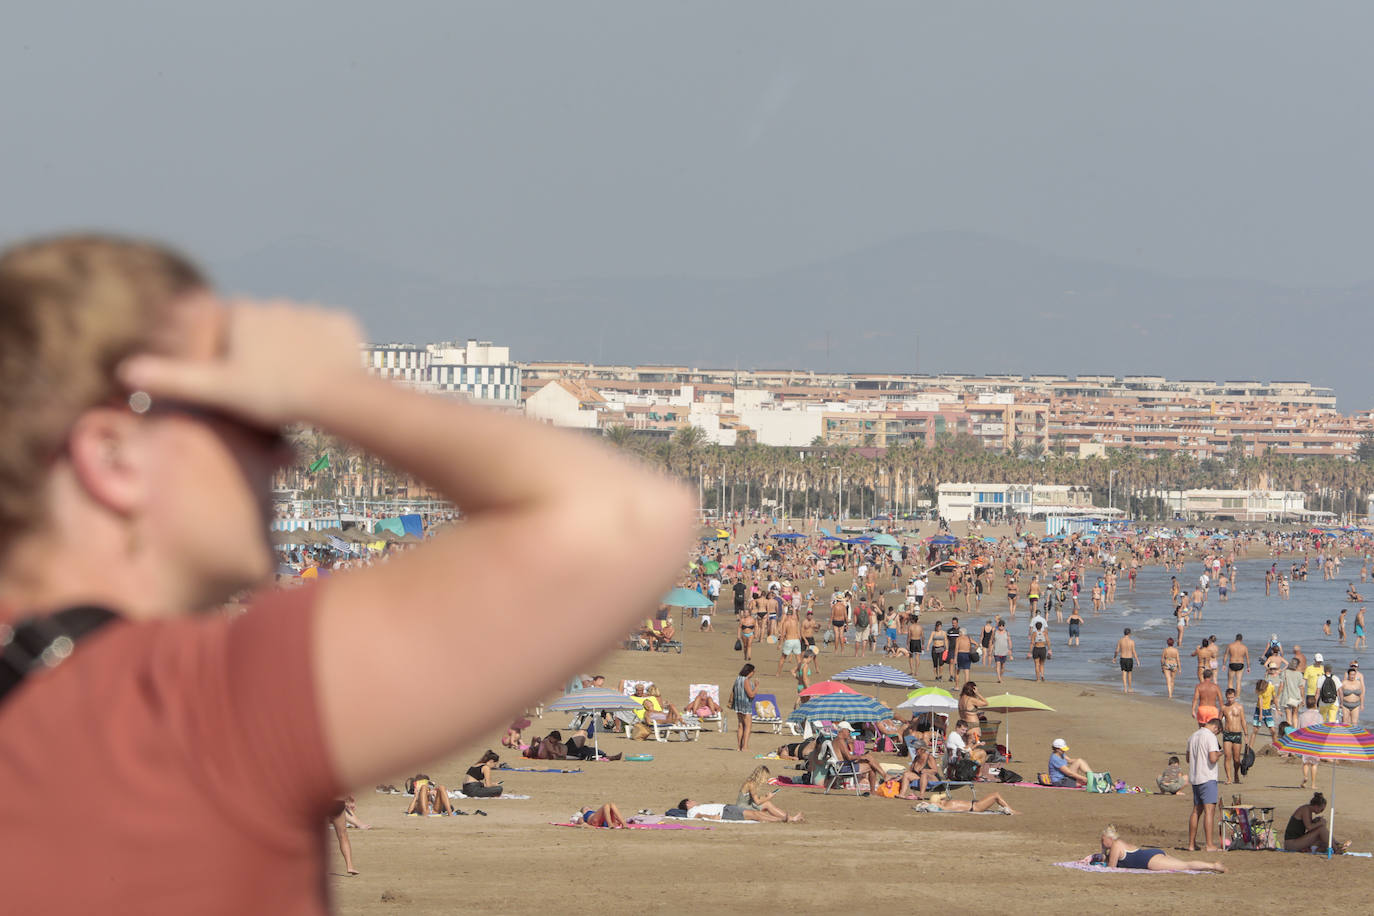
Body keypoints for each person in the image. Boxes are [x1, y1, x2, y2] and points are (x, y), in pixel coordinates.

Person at [0, 236, 696, 912]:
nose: (287, 461)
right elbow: (627, 517)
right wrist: (329, 386)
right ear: (114, 456)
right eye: (254, 417)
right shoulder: (184, 710)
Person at [1095, 825, 1224, 873]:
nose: (1102, 842)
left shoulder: (1116, 845)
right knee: (1183, 864)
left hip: (1150, 861)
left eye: (1103, 840)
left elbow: (1111, 868)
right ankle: (1211, 866)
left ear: (1110, 839)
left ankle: (1213, 866)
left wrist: (1102, 852)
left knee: (1186, 866)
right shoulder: (1120, 843)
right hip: (1151, 855)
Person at [1185, 718, 1223, 852]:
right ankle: (1209, 844)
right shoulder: (1210, 737)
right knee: (1209, 811)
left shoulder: (1193, 736)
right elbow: (1212, 758)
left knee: (1196, 811)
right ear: (1216, 728)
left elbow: (1188, 759)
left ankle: (1191, 844)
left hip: (1195, 777)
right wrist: (1220, 753)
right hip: (1207, 777)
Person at [1283, 792, 1349, 853]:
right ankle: (1336, 848)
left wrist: (1316, 821)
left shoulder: (1308, 810)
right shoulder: (1305, 809)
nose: (1321, 811)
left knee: (1323, 840)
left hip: (1296, 841)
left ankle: (1337, 844)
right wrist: (1320, 823)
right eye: (1321, 809)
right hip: (1291, 844)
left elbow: (1308, 825)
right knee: (1321, 829)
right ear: (1316, 806)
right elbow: (1309, 827)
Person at [736, 765, 803, 821]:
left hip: (747, 805)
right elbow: (757, 802)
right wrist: (768, 798)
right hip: (742, 808)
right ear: (761, 776)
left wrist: (765, 797)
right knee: (767, 804)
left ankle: (789, 818)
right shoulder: (751, 784)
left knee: (767, 804)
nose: (766, 781)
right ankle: (790, 818)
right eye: (765, 778)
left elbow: (755, 799)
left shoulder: (751, 783)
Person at [675, 798, 800, 823]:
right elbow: (697, 815)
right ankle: (782, 819)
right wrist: (711, 817)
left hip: (727, 809)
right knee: (755, 815)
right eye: (691, 801)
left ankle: (786, 818)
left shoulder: (697, 807)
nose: (694, 801)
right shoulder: (691, 811)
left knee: (756, 814)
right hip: (725, 812)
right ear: (687, 804)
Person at [1219, 689, 1250, 784]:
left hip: (1237, 734)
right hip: (1227, 734)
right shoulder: (1224, 707)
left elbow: (1243, 721)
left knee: (1236, 759)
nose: (1230, 699)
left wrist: (1246, 734)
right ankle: (1229, 778)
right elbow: (1218, 719)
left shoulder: (1239, 707)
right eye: (1228, 697)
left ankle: (1236, 775)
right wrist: (1219, 729)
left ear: (1235, 696)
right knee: (1227, 756)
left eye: (1232, 697)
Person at [916, 790, 1019, 815]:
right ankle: (1012, 810)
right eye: (941, 800)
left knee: (995, 795)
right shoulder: (944, 807)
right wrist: (927, 804)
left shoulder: (945, 804)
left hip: (975, 804)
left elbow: (933, 804)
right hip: (975, 807)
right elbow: (934, 805)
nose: (943, 799)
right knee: (996, 795)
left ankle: (1010, 810)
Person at [1297, 697, 1323, 788]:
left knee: (1305, 763)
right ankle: (1313, 784)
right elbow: (1322, 730)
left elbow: (1298, 729)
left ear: (1307, 705)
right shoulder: (1319, 716)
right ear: (1315, 704)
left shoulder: (1302, 716)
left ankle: (1305, 777)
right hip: (1315, 742)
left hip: (1305, 742)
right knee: (1314, 764)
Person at [731, 664, 758, 751]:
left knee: (740, 725)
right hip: (745, 705)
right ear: (749, 672)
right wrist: (756, 686)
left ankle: (739, 746)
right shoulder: (745, 680)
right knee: (748, 726)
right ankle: (745, 746)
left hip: (738, 704)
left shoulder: (738, 679)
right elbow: (751, 694)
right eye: (753, 671)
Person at [1114, 628, 1140, 694]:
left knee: (1124, 673)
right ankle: (1130, 688)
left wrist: (1114, 658)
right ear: (1129, 633)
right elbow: (1134, 652)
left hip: (1122, 658)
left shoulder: (1120, 640)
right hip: (1129, 658)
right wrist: (1137, 660)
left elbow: (1117, 650)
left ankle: (1125, 688)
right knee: (1129, 673)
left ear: (1124, 633)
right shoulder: (1132, 641)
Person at [991, 619, 1012, 683]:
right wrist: (990, 650)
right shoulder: (995, 632)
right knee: (998, 665)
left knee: (1003, 667)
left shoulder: (1007, 632)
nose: (1001, 627)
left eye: (1002, 626)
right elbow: (992, 640)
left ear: (1004, 626)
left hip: (1004, 652)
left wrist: (1010, 649)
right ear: (998, 626)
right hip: (997, 651)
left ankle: (1000, 676)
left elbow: (1009, 641)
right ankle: (999, 679)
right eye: (1000, 626)